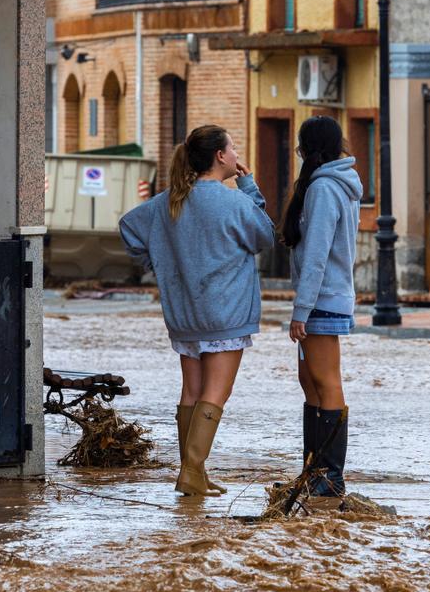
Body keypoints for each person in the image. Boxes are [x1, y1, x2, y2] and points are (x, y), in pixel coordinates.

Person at [119, 125, 274, 496]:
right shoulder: (233, 202)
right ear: (220, 157)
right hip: (225, 313)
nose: (237, 154)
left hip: (184, 313)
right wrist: (250, 187)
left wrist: (160, 263)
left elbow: (129, 229)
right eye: (233, 148)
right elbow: (265, 236)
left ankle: (193, 473)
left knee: (191, 390)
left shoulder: (168, 201)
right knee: (216, 394)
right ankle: (191, 471)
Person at [280, 116, 362, 500]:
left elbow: (316, 255)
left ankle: (329, 477)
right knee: (309, 381)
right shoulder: (324, 185)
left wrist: (301, 310)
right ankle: (313, 469)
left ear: (304, 148)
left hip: (323, 300)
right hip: (322, 299)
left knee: (327, 381)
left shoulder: (326, 188)